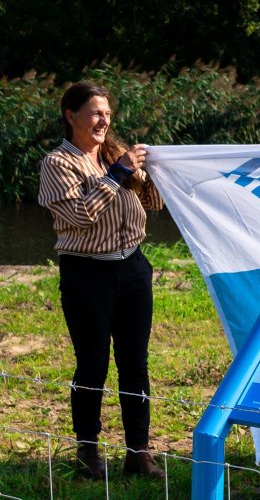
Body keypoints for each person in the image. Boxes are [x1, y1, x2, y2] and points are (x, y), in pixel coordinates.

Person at [38, 82, 166, 480]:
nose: (103, 120)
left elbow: (153, 205)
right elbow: (79, 216)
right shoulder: (58, 163)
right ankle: (88, 452)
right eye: (95, 112)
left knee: (135, 363)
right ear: (71, 115)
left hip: (133, 269)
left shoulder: (114, 155)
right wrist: (119, 173)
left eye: (107, 113)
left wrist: (147, 177)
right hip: (86, 273)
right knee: (92, 364)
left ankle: (138, 453)